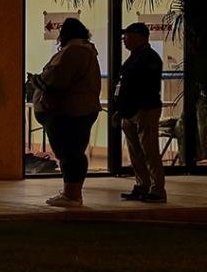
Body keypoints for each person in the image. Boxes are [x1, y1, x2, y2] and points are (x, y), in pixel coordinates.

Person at [28, 17, 102, 207]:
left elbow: (55, 78)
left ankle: (72, 194)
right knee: (74, 152)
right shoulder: (87, 51)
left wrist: (35, 80)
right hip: (79, 110)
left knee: (69, 153)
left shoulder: (73, 52)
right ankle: (72, 192)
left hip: (68, 112)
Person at [113, 22, 166, 202]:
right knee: (135, 152)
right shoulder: (133, 58)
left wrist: (130, 107)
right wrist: (121, 111)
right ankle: (142, 185)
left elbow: (142, 87)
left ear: (139, 37)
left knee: (149, 151)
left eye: (127, 35)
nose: (124, 39)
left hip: (145, 110)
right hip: (129, 112)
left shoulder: (150, 58)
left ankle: (157, 190)